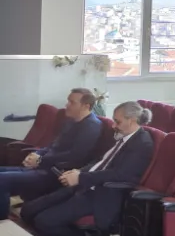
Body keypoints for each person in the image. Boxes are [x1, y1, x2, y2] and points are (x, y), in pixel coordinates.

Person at [20, 101, 155, 236]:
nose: (114, 125)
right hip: (86, 185)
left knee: (44, 221)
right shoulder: (122, 136)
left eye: (118, 121)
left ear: (132, 120)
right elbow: (100, 161)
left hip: (103, 195)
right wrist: (78, 172)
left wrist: (81, 177)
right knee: (28, 210)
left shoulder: (142, 144)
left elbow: (119, 174)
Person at [0, 89, 102, 220]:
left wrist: (40, 160)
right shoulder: (71, 121)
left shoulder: (91, 126)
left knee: (2, 180)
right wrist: (36, 154)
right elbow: (53, 145)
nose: (67, 105)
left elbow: (75, 157)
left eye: (72, 102)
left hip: (56, 173)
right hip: (44, 166)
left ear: (86, 106)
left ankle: (3, 224)